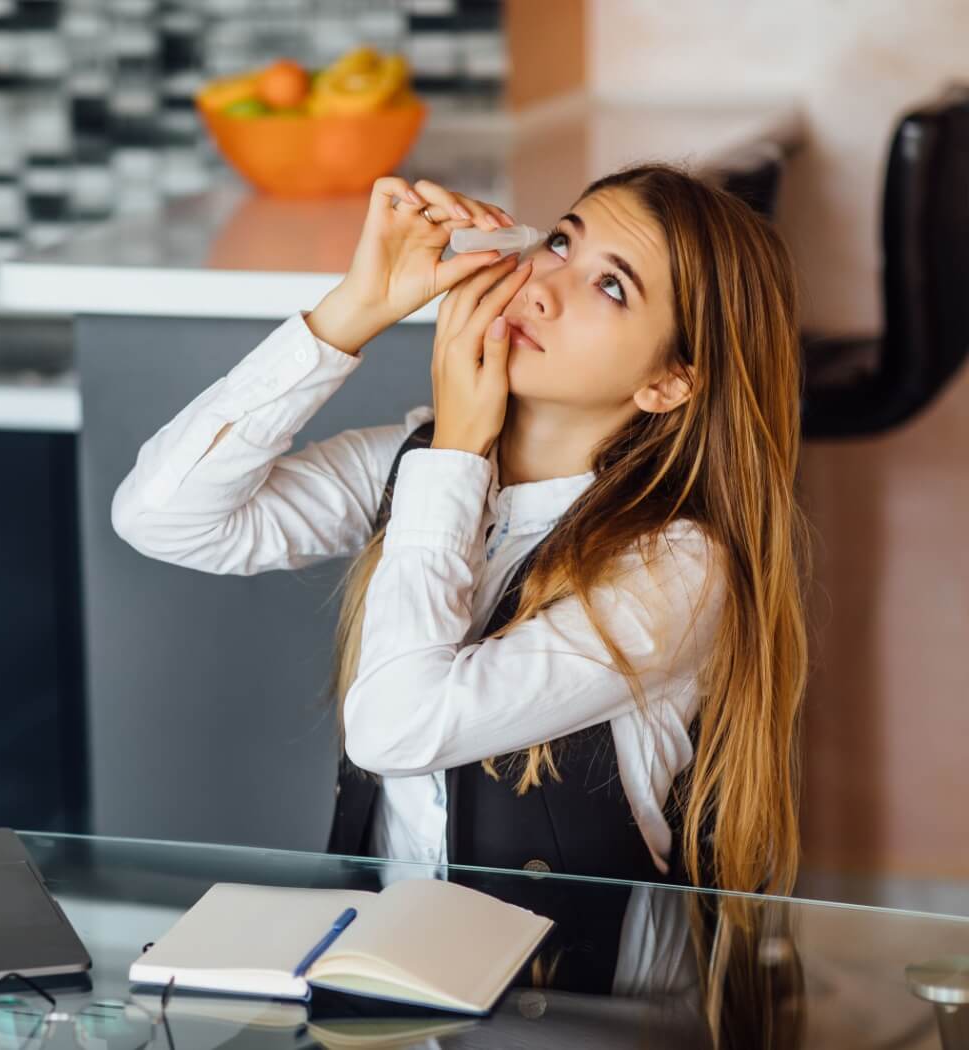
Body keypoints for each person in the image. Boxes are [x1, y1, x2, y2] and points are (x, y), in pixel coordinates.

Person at [111, 162, 811, 894]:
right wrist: (354, 310)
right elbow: (163, 516)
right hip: (392, 969)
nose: (540, 287)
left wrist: (455, 455)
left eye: (612, 285)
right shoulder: (415, 462)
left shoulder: (675, 567)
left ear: (668, 383)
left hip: (575, 1003)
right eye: (563, 244)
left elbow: (394, 728)